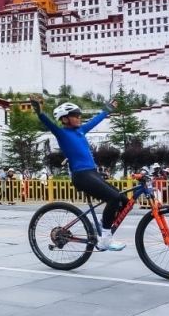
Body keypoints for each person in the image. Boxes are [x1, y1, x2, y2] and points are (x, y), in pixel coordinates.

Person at [30, 97, 125, 251]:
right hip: (81, 175)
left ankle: (101, 225)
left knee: (123, 200)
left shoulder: (80, 130)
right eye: (75, 116)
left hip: (92, 173)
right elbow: (49, 123)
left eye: (79, 116)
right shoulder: (62, 133)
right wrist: (39, 112)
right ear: (65, 119)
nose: (79, 118)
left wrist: (107, 110)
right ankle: (105, 239)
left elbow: (95, 121)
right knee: (113, 198)